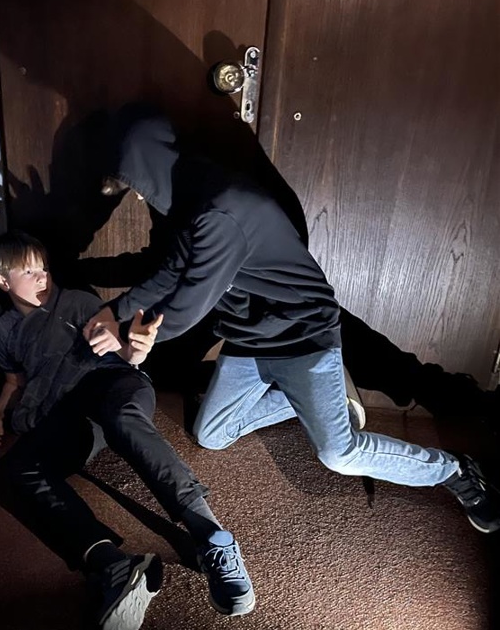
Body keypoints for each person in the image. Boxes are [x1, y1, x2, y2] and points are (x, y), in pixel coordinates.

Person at [83, 103, 500, 535]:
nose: (138, 197)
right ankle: (320, 396)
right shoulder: (191, 202)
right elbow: (170, 272)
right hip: (249, 339)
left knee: (338, 454)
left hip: (302, 337)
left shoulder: (221, 211)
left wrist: (140, 335)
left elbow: (192, 301)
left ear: (150, 167)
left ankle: (454, 471)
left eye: (137, 186)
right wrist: (115, 312)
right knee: (212, 434)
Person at [0, 230, 255, 630]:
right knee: (21, 468)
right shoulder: (4, 331)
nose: (42, 278)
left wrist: (138, 349)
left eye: (44, 269)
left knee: (122, 419)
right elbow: (13, 381)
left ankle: (212, 537)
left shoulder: (77, 302)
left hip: (112, 382)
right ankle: (110, 563)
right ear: (3, 280)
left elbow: (124, 350)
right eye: (29, 272)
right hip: (64, 408)